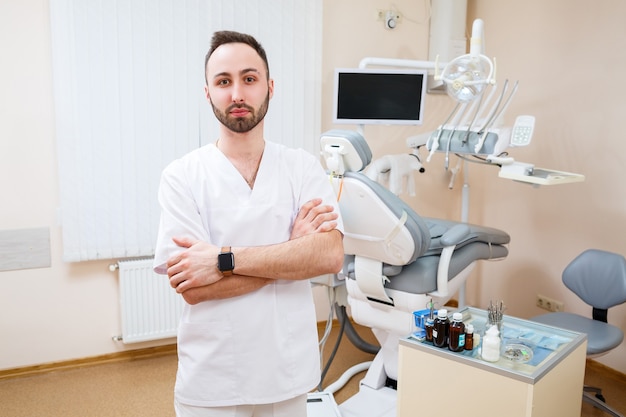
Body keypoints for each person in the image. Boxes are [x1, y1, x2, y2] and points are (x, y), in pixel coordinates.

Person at [153, 30, 345, 417]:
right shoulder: (182, 177)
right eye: (223, 81)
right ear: (207, 92)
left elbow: (329, 256)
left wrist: (221, 261)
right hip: (214, 376)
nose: (237, 93)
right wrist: (292, 253)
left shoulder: (301, 167)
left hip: (287, 372)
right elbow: (193, 290)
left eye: (249, 78)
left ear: (269, 87)